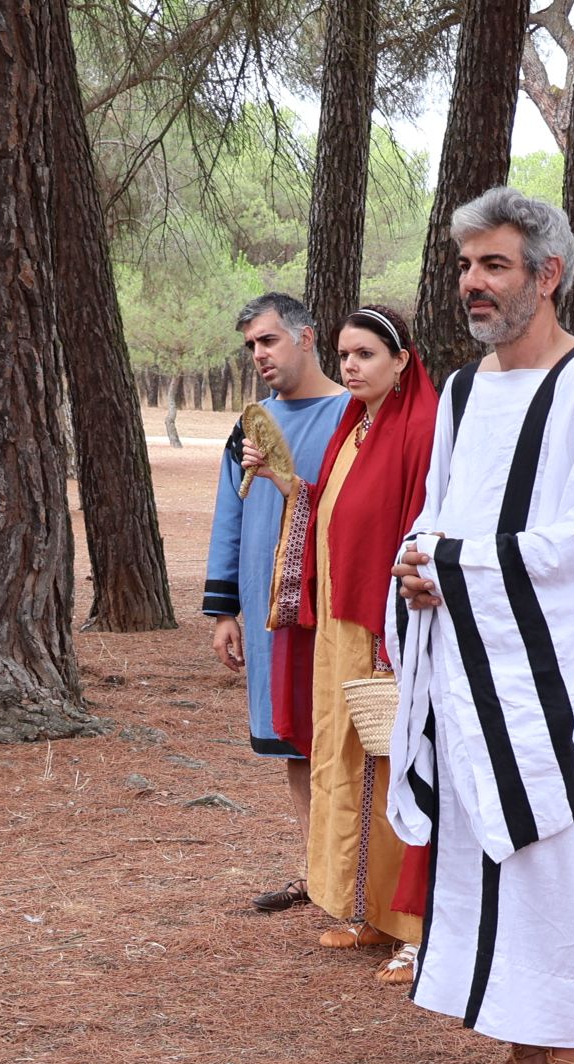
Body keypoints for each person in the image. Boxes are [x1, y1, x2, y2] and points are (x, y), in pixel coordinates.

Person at [387, 187, 574, 1064]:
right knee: (486, 858)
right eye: (467, 266)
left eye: (495, 265)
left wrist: (460, 563)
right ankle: (519, 1061)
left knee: (563, 862)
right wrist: (419, 565)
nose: (473, 284)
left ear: (547, 274)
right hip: (475, 670)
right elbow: (439, 509)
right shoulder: (464, 391)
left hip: (561, 684)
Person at [250, 305, 435, 983]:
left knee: (396, 769)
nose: (351, 366)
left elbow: (425, 529)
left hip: (386, 628)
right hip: (339, 627)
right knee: (348, 764)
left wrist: (400, 635)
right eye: (345, 355)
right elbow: (329, 506)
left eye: (365, 355)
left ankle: (418, 931)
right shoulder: (353, 430)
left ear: (401, 361)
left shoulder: (422, 428)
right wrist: (283, 483)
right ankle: (370, 911)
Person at [205, 293, 349, 911]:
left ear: (306, 336)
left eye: (268, 340)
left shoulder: (354, 414)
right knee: (290, 738)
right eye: (252, 346)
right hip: (267, 613)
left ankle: (353, 875)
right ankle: (315, 872)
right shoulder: (250, 424)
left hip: (336, 605)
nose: (259, 355)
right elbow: (229, 516)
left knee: (342, 736)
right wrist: (222, 611)